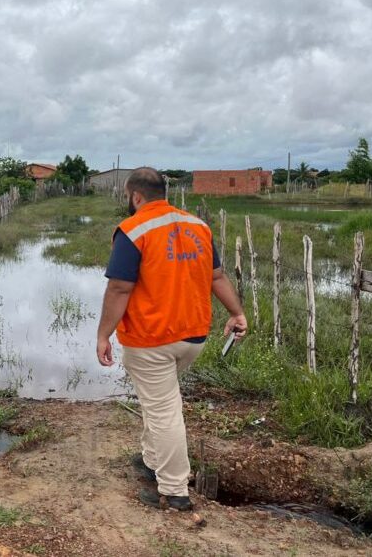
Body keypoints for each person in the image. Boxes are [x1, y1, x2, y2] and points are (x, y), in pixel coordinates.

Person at [95, 167, 247, 511]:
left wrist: (103, 334)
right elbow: (218, 278)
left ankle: (175, 490)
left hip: (151, 340)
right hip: (192, 337)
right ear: (163, 192)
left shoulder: (133, 230)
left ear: (135, 196)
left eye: (127, 196)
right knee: (158, 400)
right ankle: (151, 460)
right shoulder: (199, 226)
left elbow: (119, 287)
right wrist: (237, 313)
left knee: (164, 411)